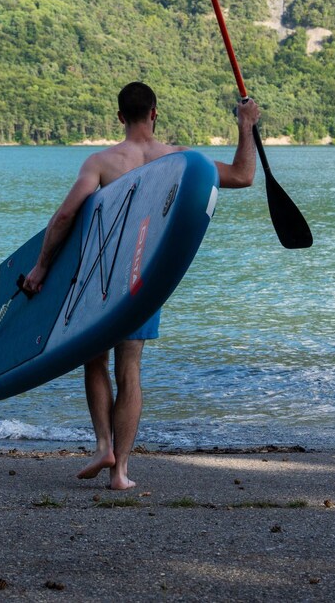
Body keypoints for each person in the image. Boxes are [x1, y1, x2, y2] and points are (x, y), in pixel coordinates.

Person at [21, 81, 259, 490]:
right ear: (154, 113)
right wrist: (246, 126)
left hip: (99, 282)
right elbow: (242, 175)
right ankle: (121, 473)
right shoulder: (181, 159)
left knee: (93, 362)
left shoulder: (101, 162)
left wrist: (41, 268)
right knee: (129, 369)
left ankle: (102, 445)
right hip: (142, 278)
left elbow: (63, 218)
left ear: (119, 117)